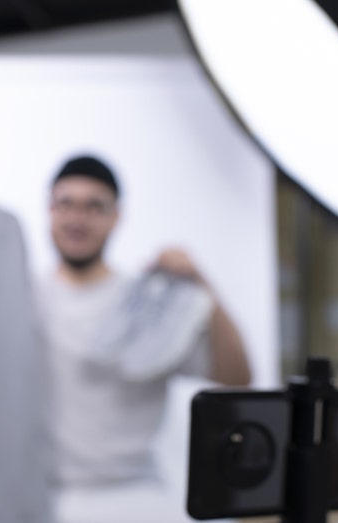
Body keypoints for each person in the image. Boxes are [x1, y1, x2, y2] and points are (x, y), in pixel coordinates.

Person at [36, 154, 251, 523]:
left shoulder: (150, 306)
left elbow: (237, 377)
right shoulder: (21, 298)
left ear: (116, 217)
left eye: (94, 207)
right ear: (50, 210)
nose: (77, 218)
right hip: (46, 495)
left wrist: (202, 284)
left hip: (134, 494)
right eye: (66, 204)